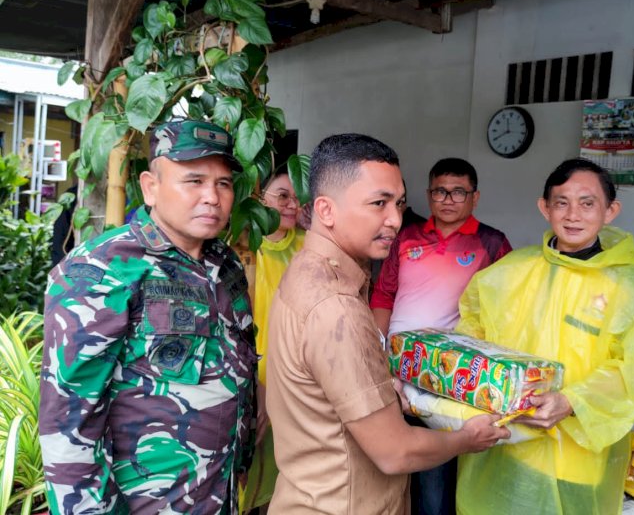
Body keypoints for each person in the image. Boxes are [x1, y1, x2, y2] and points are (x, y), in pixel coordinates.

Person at [265, 133, 510, 514]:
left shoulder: (305, 272)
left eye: (398, 203)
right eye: (379, 204)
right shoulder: (337, 307)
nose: (395, 220)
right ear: (326, 210)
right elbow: (396, 452)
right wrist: (466, 438)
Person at [39, 119, 257, 514]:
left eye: (223, 184)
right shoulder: (103, 268)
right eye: (194, 181)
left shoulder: (225, 265)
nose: (212, 197)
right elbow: (68, 420)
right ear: (150, 187)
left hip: (218, 496)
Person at [454, 157, 634, 515]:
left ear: (610, 211)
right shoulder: (509, 272)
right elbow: (471, 336)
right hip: (507, 442)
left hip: (578, 454)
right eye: (561, 202)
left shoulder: (631, 287)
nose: (573, 215)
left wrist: (570, 401)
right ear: (544, 207)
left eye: (587, 203)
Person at [371, 158, 512, 515]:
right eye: (440, 191)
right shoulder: (406, 236)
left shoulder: (491, 244)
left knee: (434, 478)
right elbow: (384, 296)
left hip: (446, 376)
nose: (448, 199)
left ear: (474, 197)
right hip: (393, 370)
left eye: (458, 192)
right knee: (384, 469)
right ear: (429, 194)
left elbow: (502, 314)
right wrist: (378, 352)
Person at [241, 168, 305, 514]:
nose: (292, 204)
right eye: (283, 196)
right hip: (253, 375)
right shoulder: (242, 247)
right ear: (259, 199)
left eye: (297, 197)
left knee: (287, 476)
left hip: (296, 379)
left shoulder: (309, 247)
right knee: (247, 473)